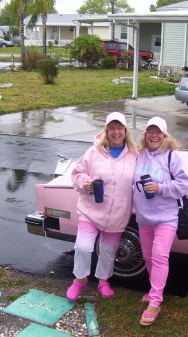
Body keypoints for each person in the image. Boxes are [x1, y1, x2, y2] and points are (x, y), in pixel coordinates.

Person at [66, 111, 138, 301]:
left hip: (118, 213)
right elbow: (78, 173)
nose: (116, 132)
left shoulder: (134, 154)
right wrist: (85, 183)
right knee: (83, 247)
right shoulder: (94, 152)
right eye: (112, 128)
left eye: (119, 128)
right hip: (91, 210)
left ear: (125, 130)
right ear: (106, 131)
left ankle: (103, 281)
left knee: (108, 250)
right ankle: (79, 280)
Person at [133, 116, 188, 326]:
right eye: (150, 131)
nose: (154, 135)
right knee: (148, 258)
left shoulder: (172, 157)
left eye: (158, 132)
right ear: (145, 135)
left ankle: (155, 301)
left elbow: (185, 184)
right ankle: (153, 292)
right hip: (144, 218)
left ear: (165, 135)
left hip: (166, 217)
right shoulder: (138, 155)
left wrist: (161, 188)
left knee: (159, 256)